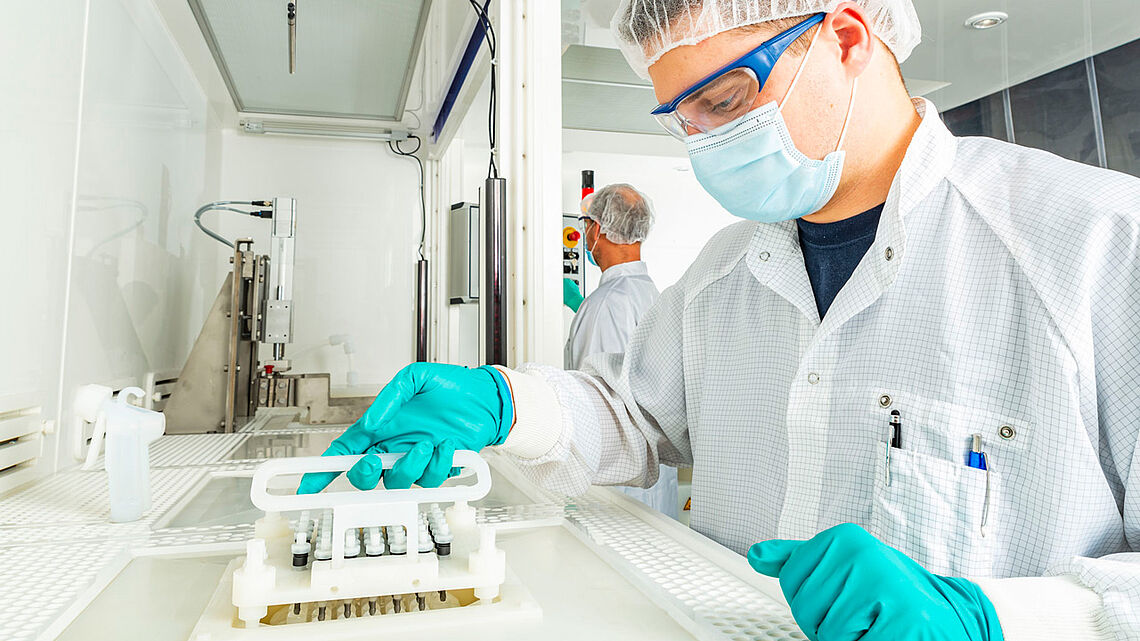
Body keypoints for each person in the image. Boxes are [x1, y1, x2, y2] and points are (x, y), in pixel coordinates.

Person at [299, 1, 1140, 639]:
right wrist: (505, 403)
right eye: (681, 117)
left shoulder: (1098, 246)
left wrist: (1003, 617)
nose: (700, 142)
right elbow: (633, 418)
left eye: (727, 97)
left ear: (847, 37)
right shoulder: (723, 272)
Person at [563, 183, 679, 518]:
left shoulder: (602, 306)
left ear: (597, 228)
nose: (585, 235)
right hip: (653, 483)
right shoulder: (654, 296)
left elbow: (590, 404)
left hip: (615, 489)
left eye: (586, 225)